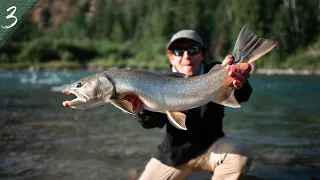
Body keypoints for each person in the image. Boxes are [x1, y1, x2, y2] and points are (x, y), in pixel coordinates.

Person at [124, 29, 253, 180]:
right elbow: (152, 123)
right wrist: (142, 109)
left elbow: (243, 96)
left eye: (193, 49)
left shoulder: (217, 71)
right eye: (179, 51)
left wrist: (238, 81)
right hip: (174, 157)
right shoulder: (156, 82)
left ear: (202, 54)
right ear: (171, 57)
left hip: (212, 149)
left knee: (240, 152)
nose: (186, 56)